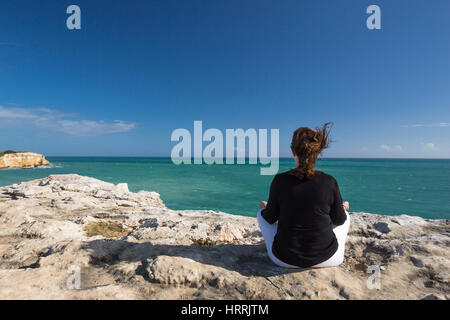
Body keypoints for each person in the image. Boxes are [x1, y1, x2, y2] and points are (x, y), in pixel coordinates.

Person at [257, 123, 350, 268]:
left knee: (260, 213)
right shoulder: (329, 181)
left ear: (293, 151)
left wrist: (265, 208)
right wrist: (341, 208)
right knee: (346, 215)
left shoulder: (280, 180)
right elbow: (339, 219)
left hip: (284, 260)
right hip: (327, 259)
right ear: (317, 153)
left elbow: (270, 218)